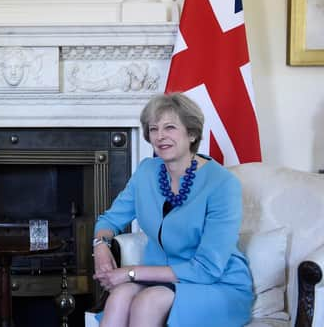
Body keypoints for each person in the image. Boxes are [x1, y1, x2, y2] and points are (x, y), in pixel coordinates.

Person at [92, 93, 253, 327]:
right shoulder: (147, 172)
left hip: (217, 285)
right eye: (154, 128)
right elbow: (109, 220)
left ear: (192, 133)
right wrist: (101, 247)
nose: (160, 136)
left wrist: (130, 273)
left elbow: (207, 269)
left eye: (170, 127)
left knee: (147, 301)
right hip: (161, 279)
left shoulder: (222, 184)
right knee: (119, 297)